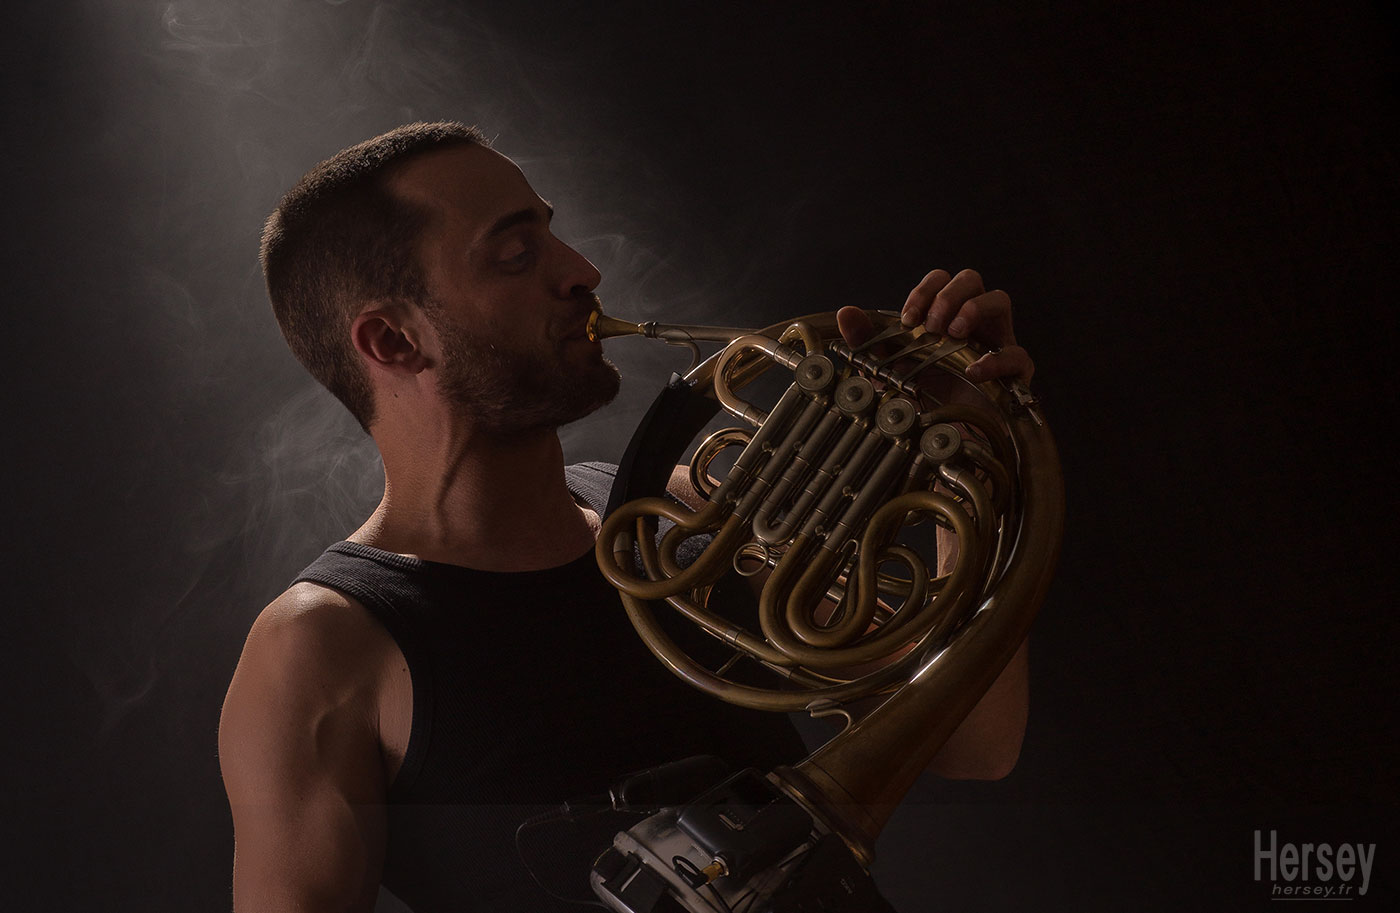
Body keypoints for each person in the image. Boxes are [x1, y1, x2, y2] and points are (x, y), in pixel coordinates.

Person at [218, 122, 1037, 913]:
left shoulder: (676, 513)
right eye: (515, 254)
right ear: (393, 340)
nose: (581, 271)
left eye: (555, 236)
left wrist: (967, 451)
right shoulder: (320, 649)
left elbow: (976, 742)